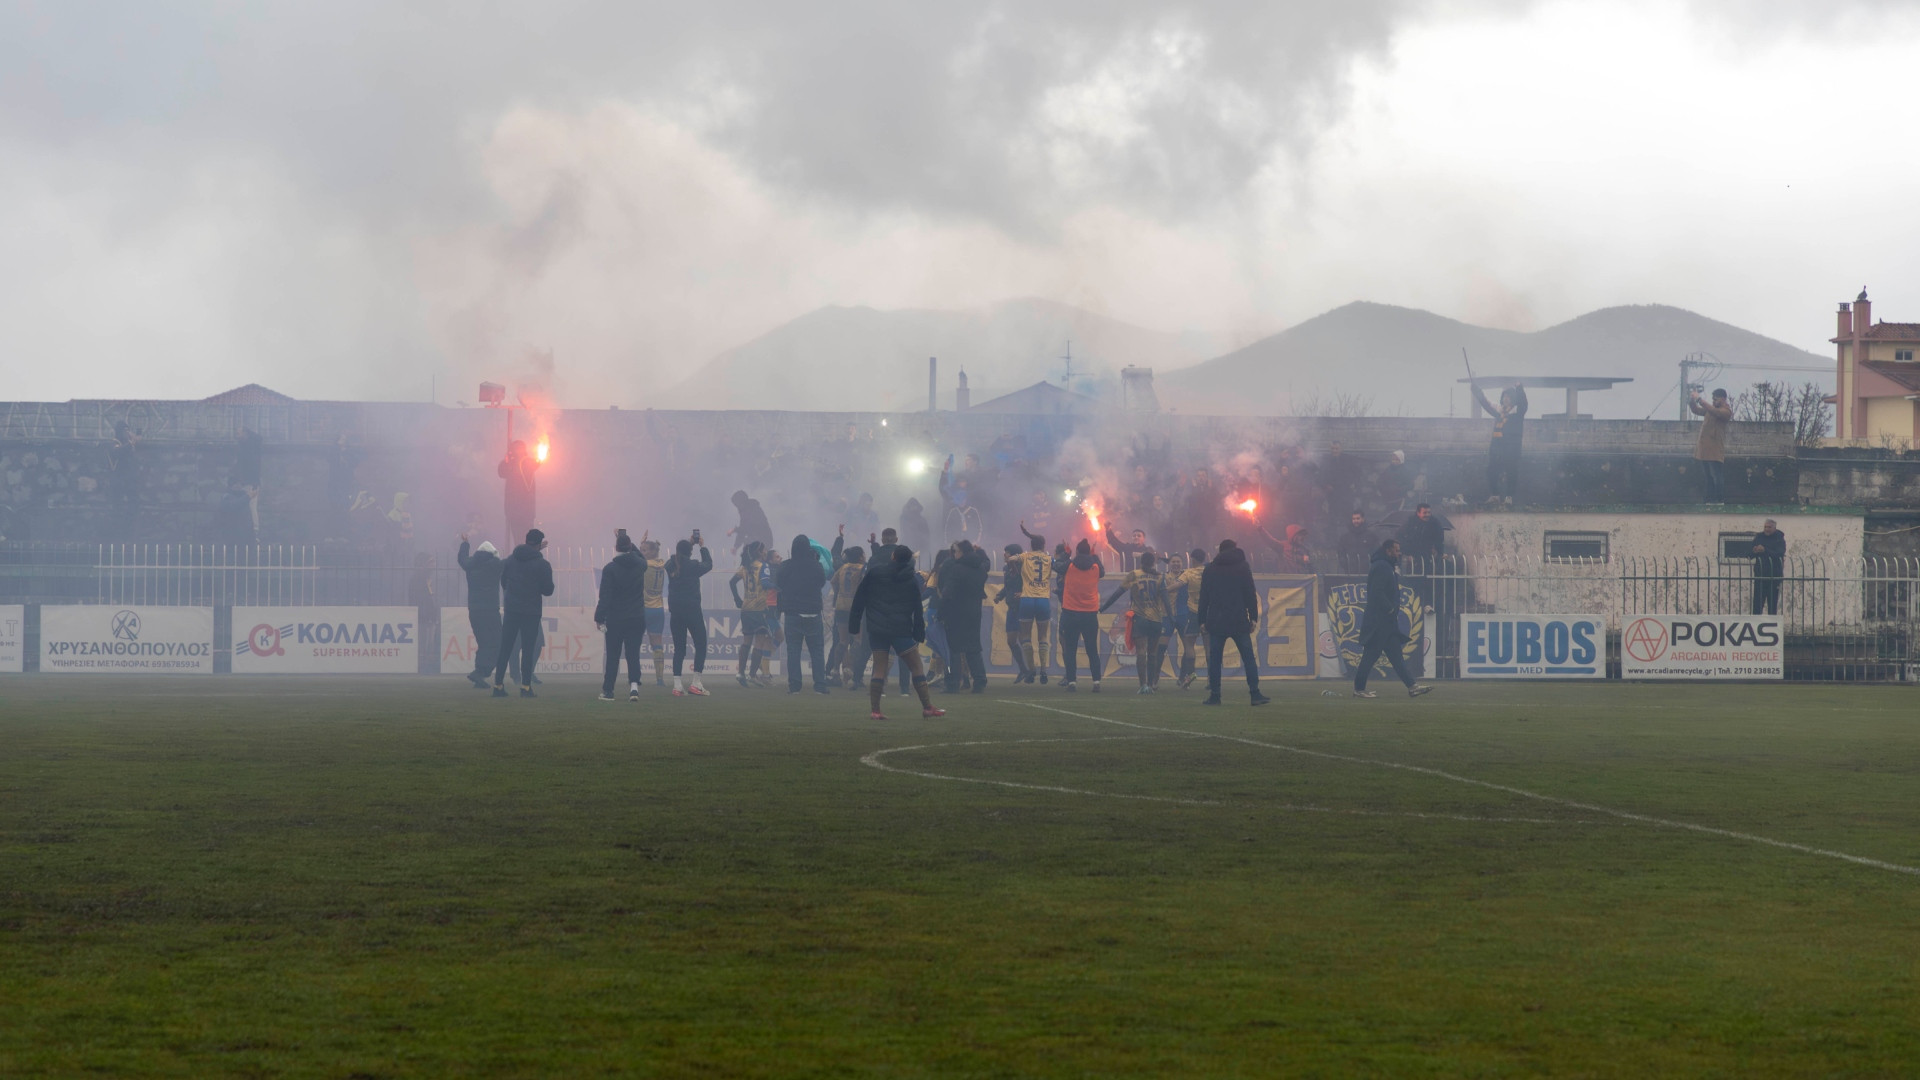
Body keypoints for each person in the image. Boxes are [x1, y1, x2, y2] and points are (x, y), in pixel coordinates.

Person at [848, 545, 946, 720]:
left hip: (877, 628)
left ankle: (875, 710)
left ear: (893, 556)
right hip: (901, 629)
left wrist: (854, 625)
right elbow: (917, 606)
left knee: (879, 668)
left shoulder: (875, 573)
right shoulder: (911, 579)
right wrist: (918, 632)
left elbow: (860, 598)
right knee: (916, 666)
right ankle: (927, 707)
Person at [1352, 539, 1432, 699]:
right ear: (1388, 551)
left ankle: (1412, 686)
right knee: (1370, 656)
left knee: (1396, 657)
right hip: (1379, 622)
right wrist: (1389, 608)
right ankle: (1359, 689)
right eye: (1396, 550)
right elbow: (1377, 592)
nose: (1399, 553)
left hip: (1386, 622)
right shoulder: (1382, 566)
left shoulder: (1386, 566)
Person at [1196, 538, 1269, 707]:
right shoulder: (1243, 567)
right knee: (1248, 658)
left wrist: (1201, 620)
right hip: (1238, 619)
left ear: (1220, 550)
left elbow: (1204, 596)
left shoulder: (1210, 569)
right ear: (1234, 549)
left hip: (1216, 619)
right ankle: (1255, 694)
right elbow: (1250, 593)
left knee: (1215, 660)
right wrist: (1253, 617)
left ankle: (1215, 695)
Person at [492, 528, 555, 699]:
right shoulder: (542, 564)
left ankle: (498, 685)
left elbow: (503, 582)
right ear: (539, 544)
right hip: (531, 611)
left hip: (512, 609)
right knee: (528, 649)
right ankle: (526, 687)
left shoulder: (511, 560)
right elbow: (548, 590)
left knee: (505, 648)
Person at [1103, 549, 1171, 693]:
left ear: (1141, 563)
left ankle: (1143, 685)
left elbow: (1118, 593)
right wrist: (1171, 617)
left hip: (1140, 618)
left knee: (1141, 651)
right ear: (1154, 563)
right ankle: (1152, 685)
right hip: (1156, 620)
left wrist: (1104, 607)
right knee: (1152, 653)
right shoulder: (1160, 577)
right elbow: (1166, 600)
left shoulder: (1134, 575)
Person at [594, 529, 648, 702]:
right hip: (636, 616)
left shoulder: (610, 569)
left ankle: (608, 690)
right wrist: (631, 545)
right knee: (633, 654)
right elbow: (643, 560)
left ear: (616, 547)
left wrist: (599, 617)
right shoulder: (640, 565)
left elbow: (605, 596)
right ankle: (634, 688)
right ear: (630, 547)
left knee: (613, 655)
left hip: (616, 617)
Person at [775, 533, 831, 694]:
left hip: (793, 613)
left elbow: (778, 583)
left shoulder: (786, 566)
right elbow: (822, 582)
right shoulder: (816, 565)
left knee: (793, 651)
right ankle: (820, 685)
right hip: (813, 612)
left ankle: (795, 686)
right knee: (817, 651)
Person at [939, 539, 991, 693]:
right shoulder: (980, 569)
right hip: (974, 612)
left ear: (961, 552)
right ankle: (980, 681)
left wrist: (941, 611)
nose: (953, 554)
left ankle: (953, 683)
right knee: (973, 648)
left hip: (956, 611)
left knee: (954, 648)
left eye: (955, 551)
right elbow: (986, 563)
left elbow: (948, 593)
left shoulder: (956, 569)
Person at [667, 533, 713, 696]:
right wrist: (702, 546)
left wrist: (688, 544)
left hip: (676, 613)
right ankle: (696, 683)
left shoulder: (671, 564)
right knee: (700, 644)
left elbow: (676, 559)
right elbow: (708, 564)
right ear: (690, 552)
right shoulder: (693, 565)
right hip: (692, 611)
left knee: (679, 649)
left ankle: (677, 686)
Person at [1056, 538, 1105, 691]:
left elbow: (1057, 566)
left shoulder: (1069, 565)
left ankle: (1072, 682)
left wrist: (1066, 553)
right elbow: (1102, 571)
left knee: (1070, 649)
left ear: (1077, 552)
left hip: (1070, 612)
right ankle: (1096, 682)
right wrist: (1094, 555)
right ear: (1088, 552)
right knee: (1091, 649)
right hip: (1090, 614)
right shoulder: (1096, 568)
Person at [456, 534, 503, 688]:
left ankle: (479, 675)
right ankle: (481, 672)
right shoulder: (496, 565)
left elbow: (462, 558)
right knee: (497, 643)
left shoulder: (470, 564)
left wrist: (465, 543)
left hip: (474, 610)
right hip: (490, 610)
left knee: (483, 642)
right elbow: (513, 562)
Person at [1470, 382, 1528, 504]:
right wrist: (1477, 391)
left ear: (1514, 399)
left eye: (1509, 397)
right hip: (1497, 448)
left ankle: (1509, 497)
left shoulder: (1518, 412)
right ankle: (1495, 495)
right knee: (1491, 470)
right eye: (1504, 396)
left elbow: (1523, 402)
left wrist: (1519, 388)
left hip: (1512, 449)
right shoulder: (1499, 410)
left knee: (1511, 471)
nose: (1506, 399)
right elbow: (1486, 403)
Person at [1013, 521, 1055, 684]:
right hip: (1043, 600)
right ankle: (1044, 670)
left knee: (1025, 635)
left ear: (1031, 545)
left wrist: (1015, 570)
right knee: (1043, 635)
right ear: (1043, 545)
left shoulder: (1025, 556)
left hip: (1027, 599)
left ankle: (1031, 671)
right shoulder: (1048, 558)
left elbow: (1011, 559)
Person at [730, 541, 775, 686]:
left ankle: (740, 673)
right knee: (760, 641)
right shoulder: (763, 566)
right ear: (758, 552)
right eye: (763, 550)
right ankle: (752, 675)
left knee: (746, 641)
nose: (765, 552)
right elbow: (767, 584)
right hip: (759, 609)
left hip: (746, 609)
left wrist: (737, 599)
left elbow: (732, 582)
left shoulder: (745, 567)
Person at [830, 539, 869, 688]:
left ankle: (835, 671)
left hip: (841, 607)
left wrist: (838, 594)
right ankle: (849, 669)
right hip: (855, 608)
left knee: (842, 640)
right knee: (857, 640)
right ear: (860, 557)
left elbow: (833, 582)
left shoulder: (843, 567)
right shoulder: (862, 568)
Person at [1168, 549, 1206, 689]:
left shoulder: (1188, 573)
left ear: (1192, 559)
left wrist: (1163, 590)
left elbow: (1177, 586)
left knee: (1189, 645)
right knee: (1209, 647)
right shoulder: (1209, 571)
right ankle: (1211, 680)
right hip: (1207, 613)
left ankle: (1190, 673)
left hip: (1193, 613)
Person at [996, 543, 1033, 684]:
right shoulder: (1007, 569)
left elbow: (1031, 584)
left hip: (1022, 607)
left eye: (1007, 553)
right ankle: (1024, 669)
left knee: (1024, 639)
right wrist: (1000, 596)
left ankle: (1031, 670)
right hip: (1012, 608)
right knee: (1011, 641)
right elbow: (1008, 587)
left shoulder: (1024, 568)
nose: (1004, 555)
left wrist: (1024, 593)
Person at [1690, 388, 1734, 504]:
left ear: (1723, 399)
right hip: (1704, 449)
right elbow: (1696, 410)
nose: (1714, 401)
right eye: (1713, 399)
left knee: (1717, 476)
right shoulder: (1711, 410)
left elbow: (1715, 411)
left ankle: (1719, 500)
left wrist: (1699, 399)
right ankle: (1709, 499)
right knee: (1708, 477)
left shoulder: (1726, 411)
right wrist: (1692, 400)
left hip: (1715, 449)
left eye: (1716, 399)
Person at [638, 536, 669, 687]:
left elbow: (634, 560)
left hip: (643, 608)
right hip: (658, 609)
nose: (641, 552)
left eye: (644, 550)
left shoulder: (644, 565)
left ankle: (635, 676)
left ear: (651, 552)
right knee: (657, 643)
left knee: (635, 642)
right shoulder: (662, 563)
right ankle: (660, 679)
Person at [498, 440, 540, 543]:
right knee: (518, 539)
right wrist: (506, 460)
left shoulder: (528, 462)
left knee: (526, 539)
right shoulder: (509, 463)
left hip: (526, 510)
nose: (518, 451)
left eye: (520, 448)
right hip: (514, 510)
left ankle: (526, 556)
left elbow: (537, 463)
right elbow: (501, 472)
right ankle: (520, 556)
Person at [1751, 519, 1786, 615]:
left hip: (1774, 576)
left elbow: (1779, 553)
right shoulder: (1759, 537)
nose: (1767, 529)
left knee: (1772, 604)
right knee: (1757, 604)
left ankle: (1771, 625)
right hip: (1760, 576)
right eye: (1765, 527)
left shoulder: (1779, 538)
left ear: (1774, 528)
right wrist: (1754, 551)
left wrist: (1765, 550)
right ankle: (1756, 625)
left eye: (1769, 527)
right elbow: (1749, 553)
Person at [236, 425, 263, 540]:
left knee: (251, 507)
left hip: (250, 483)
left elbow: (253, 466)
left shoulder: (249, 447)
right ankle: (250, 531)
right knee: (248, 507)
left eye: (239, 433)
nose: (237, 436)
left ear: (245, 433)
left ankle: (255, 532)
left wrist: (252, 483)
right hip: (248, 482)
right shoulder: (247, 446)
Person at [730, 489, 774, 554]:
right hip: (756, 541)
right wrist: (736, 546)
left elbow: (748, 528)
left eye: (737, 505)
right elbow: (743, 530)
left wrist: (735, 530)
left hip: (763, 541)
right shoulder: (745, 512)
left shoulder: (754, 509)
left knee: (751, 554)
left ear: (741, 502)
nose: (737, 507)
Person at [899, 498, 932, 565]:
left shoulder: (922, 519)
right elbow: (905, 531)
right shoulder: (904, 518)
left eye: (915, 506)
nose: (914, 508)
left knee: (921, 565)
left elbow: (927, 534)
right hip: (908, 545)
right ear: (908, 507)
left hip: (921, 546)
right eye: (912, 506)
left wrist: (925, 545)